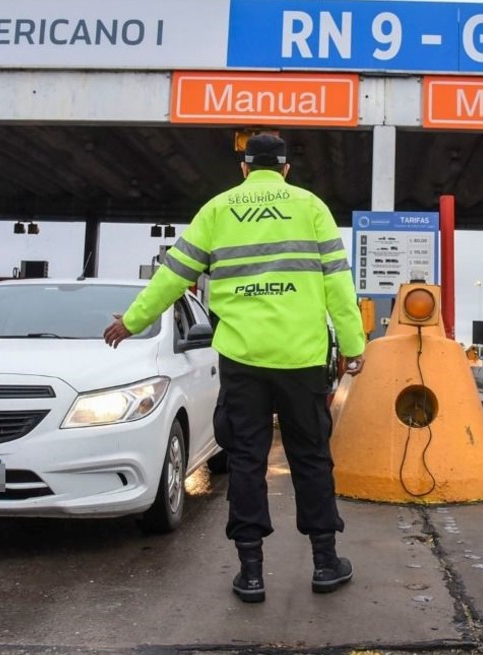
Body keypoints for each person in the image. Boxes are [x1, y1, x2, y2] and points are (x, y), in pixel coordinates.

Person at [103, 134, 367, 604]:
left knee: (246, 461)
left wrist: (133, 321)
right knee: (311, 459)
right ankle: (325, 563)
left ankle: (251, 573)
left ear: (244, 169)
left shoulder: (218, 209)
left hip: (243, 361)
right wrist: (353, 345)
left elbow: (173, 276)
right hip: (301, 359)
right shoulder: (311, 207)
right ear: (285, 169)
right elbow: (338, 285)